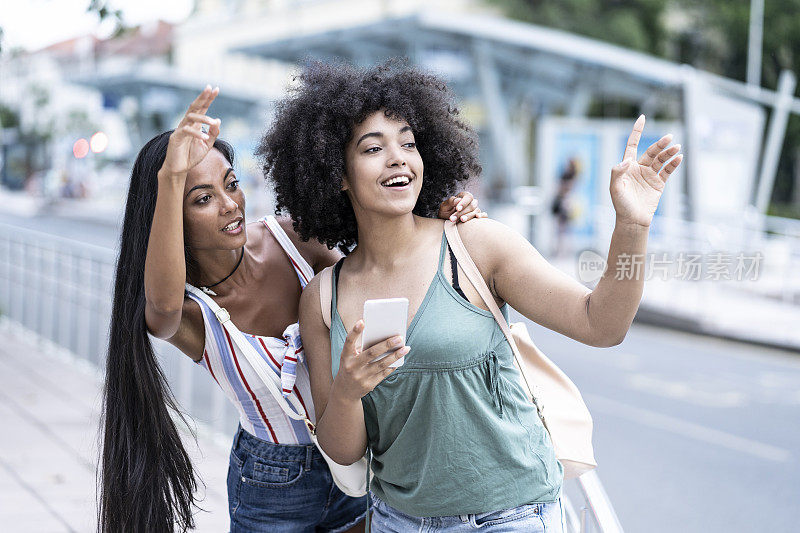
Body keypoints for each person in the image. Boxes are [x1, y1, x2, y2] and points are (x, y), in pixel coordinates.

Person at [264, 60, 683, 531]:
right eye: (373, 148)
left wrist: (632, 224)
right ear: (336, 174)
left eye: (408, 142)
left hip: (511, 517)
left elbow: (602, 324)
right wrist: (348, 389)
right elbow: (343, 452)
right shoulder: (324, 296)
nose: (398, 157)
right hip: (396, 521)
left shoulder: (476, 245)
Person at [98, 86, 485, 533]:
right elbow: (159, 306)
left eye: (231, 184)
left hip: (358, 461)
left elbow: (380, 268)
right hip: (270, 484)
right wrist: (170, 176)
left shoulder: (292, 240)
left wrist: (439, 217)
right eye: (202, 199)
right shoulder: (188, 311)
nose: (230, 205)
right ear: (169, 216)